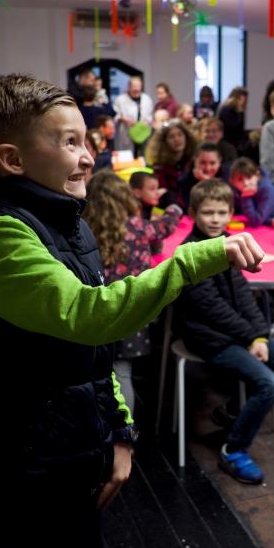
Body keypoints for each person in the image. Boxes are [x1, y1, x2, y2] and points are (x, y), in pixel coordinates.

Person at [0, 74, 264, 548]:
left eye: (86, 140)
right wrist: (194, 258)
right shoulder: (3, 234)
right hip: (17, 466)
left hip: (61, 449)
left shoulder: (62, 219)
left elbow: (88, 356)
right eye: (70, 143)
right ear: (13, 159)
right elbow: (93, 317)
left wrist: (118, 430)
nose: (89, 156)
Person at [176, 179, 274, 485]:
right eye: (207, 212)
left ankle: (232, 410)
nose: (215, 219)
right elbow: (210, 308)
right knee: (270, 385)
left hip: (234, 333)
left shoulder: (229, 242)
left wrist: (259, 335)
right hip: (207, 337)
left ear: (231, 212)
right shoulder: (190, 252)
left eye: (221, 212)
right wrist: (250, 337)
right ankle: (234, 448)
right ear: (193, 213)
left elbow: (243, 295)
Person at [83, 170, 183, 412]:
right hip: (132, 308)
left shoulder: (84, 228)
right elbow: (167, 226)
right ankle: (127, 436)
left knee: (95, 372)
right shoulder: (137, 227)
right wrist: (174, 207)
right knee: (123, 371)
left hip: (97, 311)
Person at [228, 157, 274, 230]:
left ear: (257, 174)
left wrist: (246, 197)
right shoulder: (237, 191)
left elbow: (255, 221)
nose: (246, 183)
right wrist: (269, 221)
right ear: (232, 182)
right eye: (240, 179)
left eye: (249, 177)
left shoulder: (267, 189)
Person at [145, 121, 200, 208]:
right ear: (164, 142)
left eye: (180, 135)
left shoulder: (196, 161)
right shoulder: (159, 168)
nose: (177, 139)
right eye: (171, 137)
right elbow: (164, 194)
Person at [178, 142, 226, 209]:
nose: (207, 168)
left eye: (212, 163)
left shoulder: (229, 177)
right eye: (202, 163)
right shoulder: (184, 182)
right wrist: (204, 184)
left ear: (219, 162)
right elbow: (192, 209)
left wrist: (208, 182)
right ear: (195, 161)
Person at [112, 75, 153, 153]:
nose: (137, 89)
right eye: (134, 87)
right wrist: (123, 119)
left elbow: (150, 116)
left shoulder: (147, 99)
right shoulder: (120, 99)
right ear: (129, 87)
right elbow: (114, 116)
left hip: (142, 134)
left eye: (139, 86)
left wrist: (147, 121)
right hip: (126, 135)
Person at [217, 86, 249, 155]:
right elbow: (233, 126)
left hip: (233, 142)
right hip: (230, 142)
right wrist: (241, 113)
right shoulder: (227, 109)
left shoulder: (230, 109)